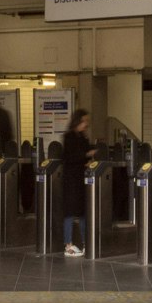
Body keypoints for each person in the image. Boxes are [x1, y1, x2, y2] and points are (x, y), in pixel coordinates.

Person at [60, 109, 93, 257]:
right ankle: (68, 245)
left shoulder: (83, 138)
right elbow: (70, 157)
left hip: (81, 180)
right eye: (85, 120)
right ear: (78, 121)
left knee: (82, 213)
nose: (87, 124)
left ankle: (87, 243)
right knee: (69, 212)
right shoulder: (69, 137)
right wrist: (86, 155)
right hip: (71, 180)